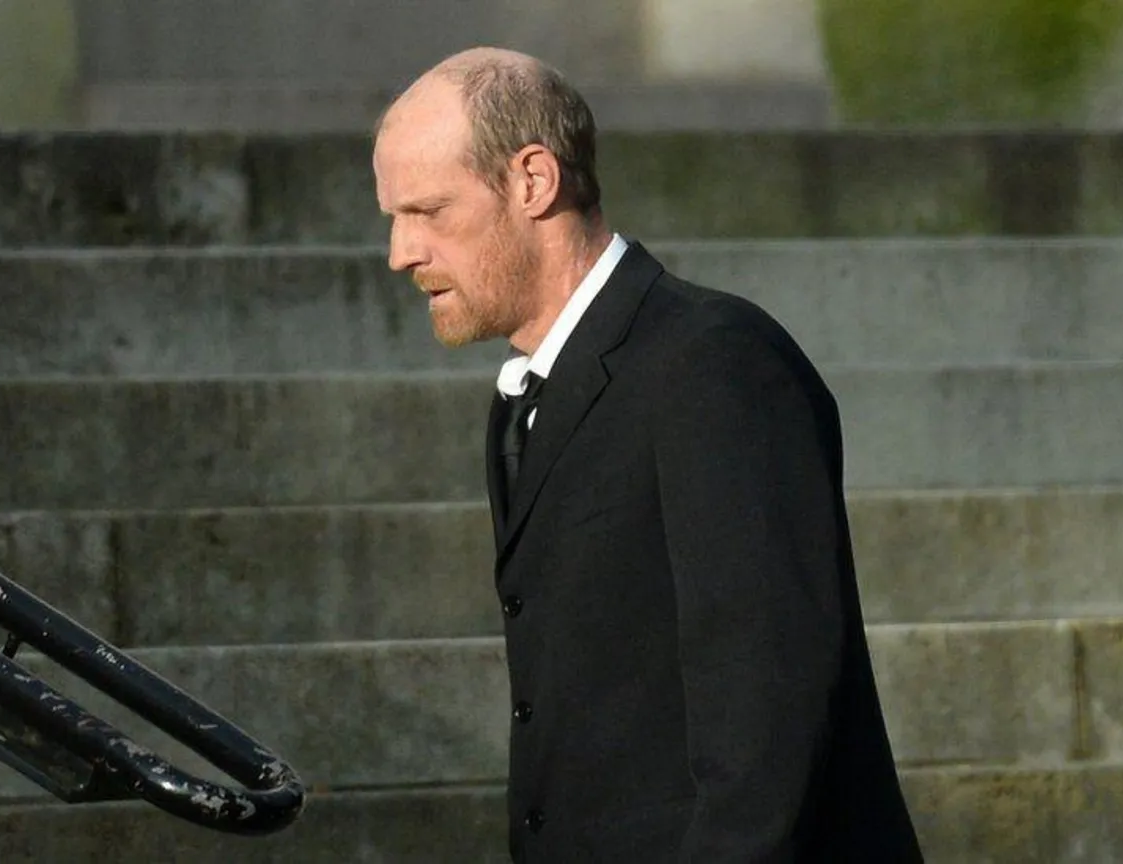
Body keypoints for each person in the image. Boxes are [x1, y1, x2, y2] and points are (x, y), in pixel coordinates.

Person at [372, 46, 925, 863]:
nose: (400, 252)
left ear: (533, 181)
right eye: (393, 217)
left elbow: (766, 720)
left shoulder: (714, 363)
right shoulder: (523, 400)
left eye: (428, 212)